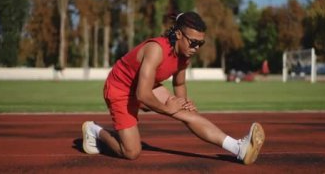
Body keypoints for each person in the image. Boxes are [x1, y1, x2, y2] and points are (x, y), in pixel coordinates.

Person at [82, 11, 265, 165]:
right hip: (120, 89)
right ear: (178, 34)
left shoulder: (185, 55)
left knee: (189, 114)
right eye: (193, 42)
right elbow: (142, 95)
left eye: (200, 44)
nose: (196, 48)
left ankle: (238, 148)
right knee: (131, 152)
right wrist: (167, 108)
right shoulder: (156, 49)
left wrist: (184, 104)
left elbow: (179, 83)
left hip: (145, 87)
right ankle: (95, 130)